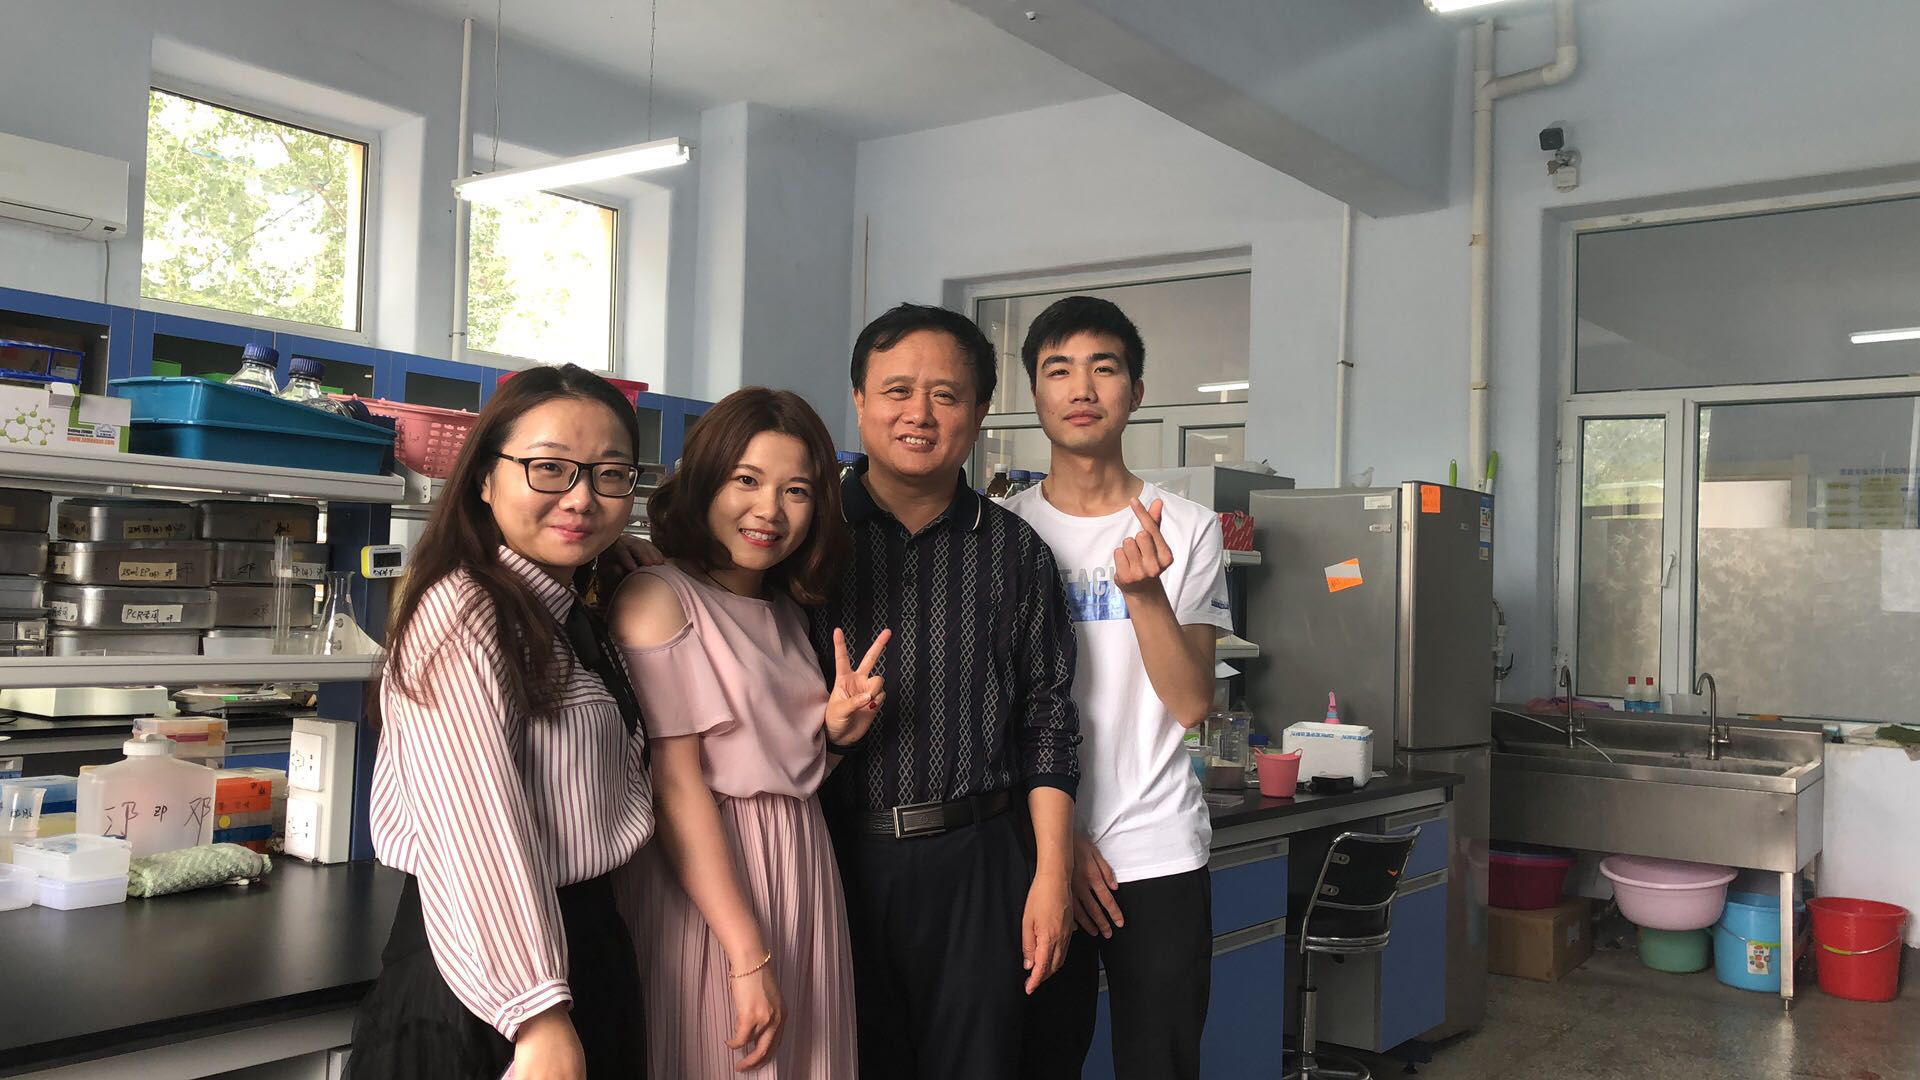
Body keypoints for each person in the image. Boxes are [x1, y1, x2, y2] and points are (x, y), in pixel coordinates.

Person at [349, 364, 655, 1079]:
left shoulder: (563, 609)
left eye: (610, 475)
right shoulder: (463, 611)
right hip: (490, 983)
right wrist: (537, 1017)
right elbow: (474, 828)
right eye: (548, 468)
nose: (581, 497)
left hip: (579, 947)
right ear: (485, 478)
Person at [810, 302, 1081, 1079]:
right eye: (896, 390)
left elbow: (1048, 720)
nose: (918, 415)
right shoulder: (808, 536)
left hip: (978, 860)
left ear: (981, 410)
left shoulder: (1016, 551)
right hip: (829, 854)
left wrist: (1052, 875)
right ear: (859, 399)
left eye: (946, 395)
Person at [610, 387, 884, 1078]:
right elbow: (676, 791)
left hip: (801, 870)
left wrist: (835, 734)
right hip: (712, 889)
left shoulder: (786, 612)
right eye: (747, 480)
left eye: (797, 491)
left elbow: (777, 768)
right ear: (705, 481)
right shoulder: (657, 598)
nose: (770, 510)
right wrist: (744, 953)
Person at [1007, 296, 1229, 1080]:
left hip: (1158, 848)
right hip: (1038, 851)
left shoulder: (1188, 527)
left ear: (1135, 392)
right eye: (1058, 370)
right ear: (1036, 395)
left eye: (1103, 369)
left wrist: (1144, 596)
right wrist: (1059, 841)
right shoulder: (1004, 530)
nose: (1081, 388)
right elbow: (995, 712)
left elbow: (1192, 702)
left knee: (1160, 1064)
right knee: (1039, 1061)